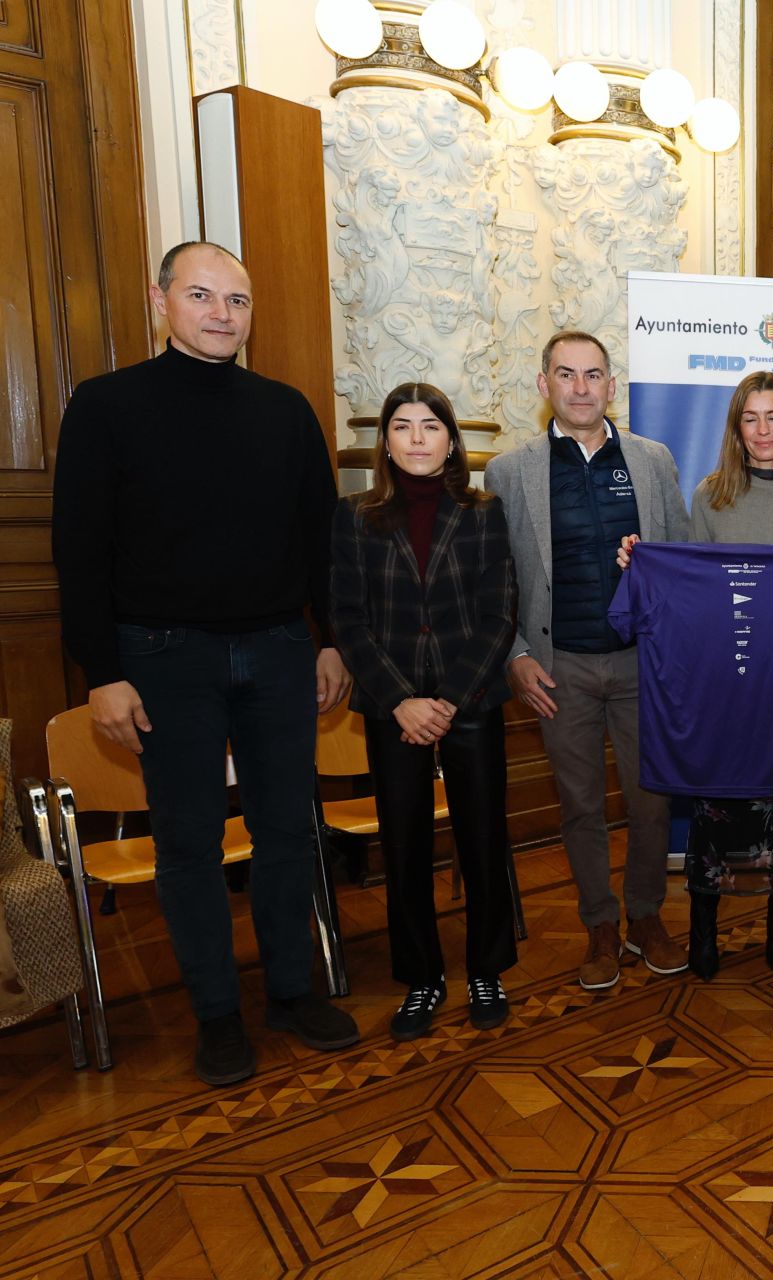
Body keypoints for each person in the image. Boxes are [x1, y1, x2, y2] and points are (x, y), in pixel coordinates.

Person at [51, 241, 358, 1085]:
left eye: (238, 300)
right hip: (161, 660)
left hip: (279, 649)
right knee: (188, 842)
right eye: (202, 295)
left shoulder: (286, 409)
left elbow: (321, 539)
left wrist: (330, 636)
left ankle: (290, 992)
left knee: (287, 831)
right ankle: (218, 1014)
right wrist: (101, 671)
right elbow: (79, 551)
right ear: (162, 302)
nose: (223, 313)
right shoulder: (106, 406)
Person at [616, 371, 773, 979]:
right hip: (727, 677)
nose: (764, 429)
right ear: (736, 430)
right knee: (718, 803)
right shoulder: (710, 496)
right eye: (751, 418)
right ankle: (704, 925)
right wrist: (645, 564)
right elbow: (695, 589)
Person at [488, 331, 690, 990]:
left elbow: (681, 561)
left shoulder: (652, 460)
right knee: (579, 807)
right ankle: (600, 925)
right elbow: (497, 581)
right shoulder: (510, 471)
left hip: (643, 665)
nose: (580, 387)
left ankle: (646, 915)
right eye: (566, 375)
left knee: (652, 802)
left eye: (593, 375)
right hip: (559, 668)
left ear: (611, 384)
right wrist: (516, 656)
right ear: (544, 384)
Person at [330, 383, 519, 1039]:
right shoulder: (354, 516)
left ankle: (486, 969)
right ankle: (422, 978)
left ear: (450, 441)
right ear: (385, 441)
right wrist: (403, 701)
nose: (416, 437)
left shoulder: (483, 511)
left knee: (482, 836)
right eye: (402, 426)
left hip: (469, 698)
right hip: (394, 707)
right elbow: (348, 622)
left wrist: (448, 700)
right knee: (404, 844)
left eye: (430, 426)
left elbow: (500, 616)